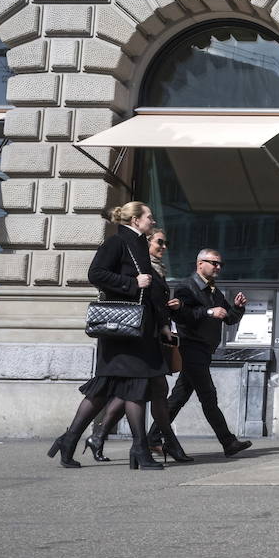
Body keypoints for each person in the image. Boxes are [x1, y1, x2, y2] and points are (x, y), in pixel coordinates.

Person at [46, 201, 171, 470]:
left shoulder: (138, 243)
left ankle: (70, 440)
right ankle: (139, 449)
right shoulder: (117, 242)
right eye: (149, 217)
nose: (153, 221)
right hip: (121, 330)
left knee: (109, 388)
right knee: (130, 387)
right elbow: (96, 274)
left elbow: (150, 292)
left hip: (137, 330)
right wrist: (132, 283)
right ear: (135, 220)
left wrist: (162, 323)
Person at [86, 228, 196, 463]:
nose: (163, 247)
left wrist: (166, 319)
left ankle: (101, 437)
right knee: (141, 392)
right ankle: (159, 443)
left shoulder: (157, 269)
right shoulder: (139, 268)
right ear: (146, 243)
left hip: (151, 336)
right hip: (137, 337)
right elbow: (102, 278)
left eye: (166, 243)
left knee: (144, 392)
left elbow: (156, 303)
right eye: (159, 242)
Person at [148, 249, 253, 458]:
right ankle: (228, 442)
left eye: (220, 264)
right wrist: (208, 312)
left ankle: (152, 438)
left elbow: (229, 318)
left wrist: (238, 307)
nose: (218, 267)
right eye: (214, 263)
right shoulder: (186, 287)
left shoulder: (214, 291)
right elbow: (181, 316)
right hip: (191, 348)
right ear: (200, 264)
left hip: (205, 350)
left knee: (178, 397)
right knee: (208, 396)